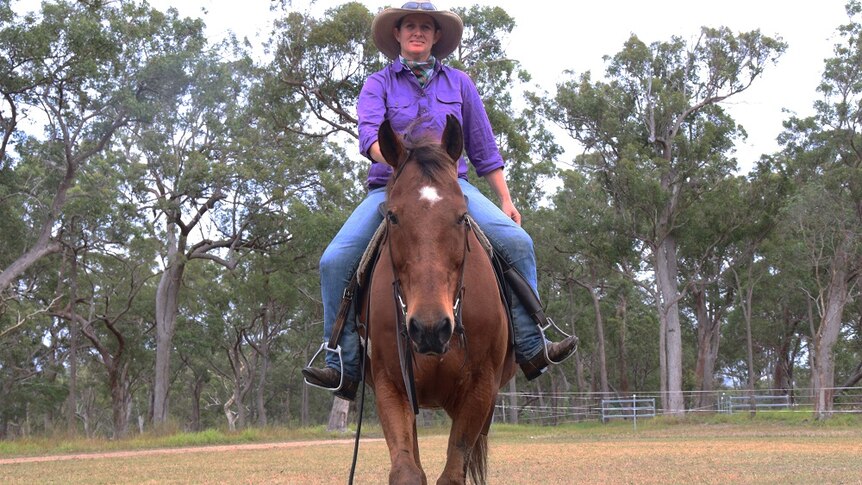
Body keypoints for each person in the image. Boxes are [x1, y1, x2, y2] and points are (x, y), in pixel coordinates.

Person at [302, 2, 577, 401]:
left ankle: (532, 344)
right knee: (334, 261)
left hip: (453, 190)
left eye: (425, 27)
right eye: (409, 25)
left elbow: (483, 147)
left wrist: (505, 198)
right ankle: (342, 361)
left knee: (518, 243)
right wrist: (399, 160)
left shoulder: (460, 84)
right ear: (397, 34)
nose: (417, 32)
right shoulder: (377, 84)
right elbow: (369, 138)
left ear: (436, 37)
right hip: (391, 189)